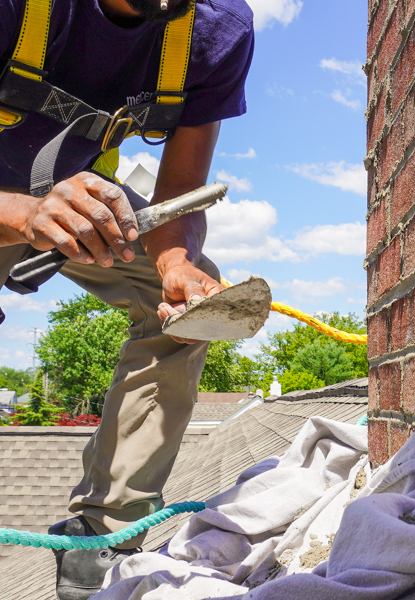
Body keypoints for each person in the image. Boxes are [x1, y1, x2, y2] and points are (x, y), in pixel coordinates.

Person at [0, 0, 254, 597]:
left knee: (187, 316)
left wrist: (175, 265)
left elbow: (181, 192)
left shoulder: (214, 31)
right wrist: (26, 213)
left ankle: (107, 527)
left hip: (81, 211)